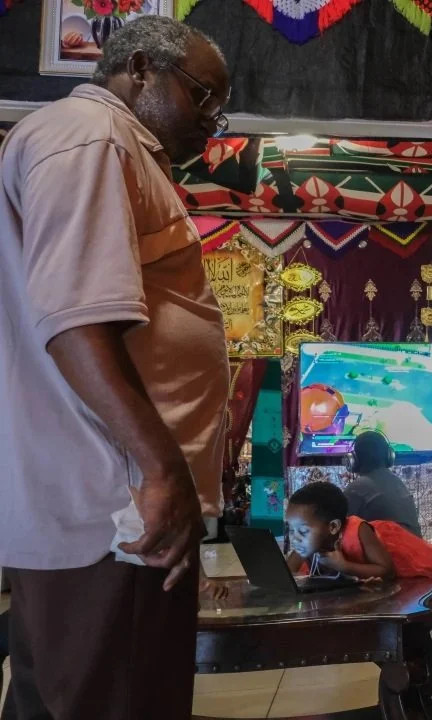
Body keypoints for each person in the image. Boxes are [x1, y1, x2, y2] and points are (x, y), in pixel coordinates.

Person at [0, 17, 231, 720]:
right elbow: (76, 321)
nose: (213, 124)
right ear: (139, 68)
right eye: (202, 97)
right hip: (117, 512)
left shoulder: (106, 147)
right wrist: (162, 471)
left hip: (104, 509)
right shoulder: (93, 140)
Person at [285, 481, 432, 634]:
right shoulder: (309, 540)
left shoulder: (359, 531)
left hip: (397, 556)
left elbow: (386, 569)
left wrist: (343, 566)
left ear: (333, 527)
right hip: (362, 566)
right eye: (291, 530)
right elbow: (289, 571)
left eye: (302, 531)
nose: (295, 537)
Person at [342, 431, 423, 538]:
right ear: (389, 456)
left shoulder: (356, 488)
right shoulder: (398, 483)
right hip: (417, 551)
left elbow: (339, 530)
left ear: (353, 460)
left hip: (390, 553)